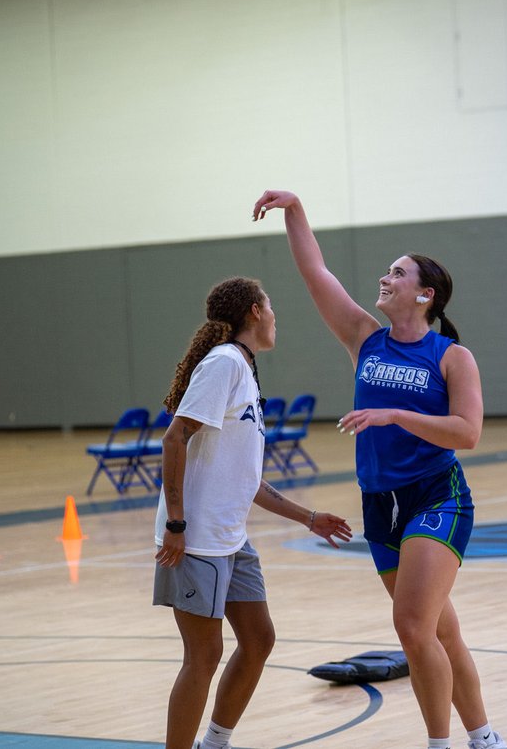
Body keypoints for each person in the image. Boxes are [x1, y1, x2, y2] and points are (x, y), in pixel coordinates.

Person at [252, 192, 507, 749]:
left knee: (412, 629)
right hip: (380, 502)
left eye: (397, 273)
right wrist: (294, 210)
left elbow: (467, 432)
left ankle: (440, 743)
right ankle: (485, 737)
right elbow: (315, 273)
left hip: (437, 496)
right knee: (440, 631)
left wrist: (395, 414)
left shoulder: (451, 357)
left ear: (424, 294)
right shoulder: (364, 337)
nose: (385, 277)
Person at [154, 275, 352, 749]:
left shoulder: (243, 367)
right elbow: (173, 438)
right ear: (255, 312)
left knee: (259, 639)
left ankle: (215, 743)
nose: (276, 315)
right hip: (196, 538)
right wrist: (177, 523)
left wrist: (308, 517)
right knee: (204, 655)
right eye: (271, 305)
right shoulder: (224, 363)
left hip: (230, 536)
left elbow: (247, 479)